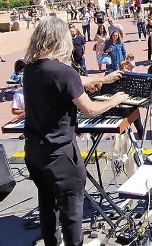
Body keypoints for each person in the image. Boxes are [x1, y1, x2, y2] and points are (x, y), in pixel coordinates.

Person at [23, 16, 128, 246]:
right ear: (61, 38)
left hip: (34, 152)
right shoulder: (63, 70)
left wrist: (102, 78)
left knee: (47, 204)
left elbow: (69, 80)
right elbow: (89, 109)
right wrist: (114, 99)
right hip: (60, 156)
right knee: (71, 211)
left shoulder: (30, 69)